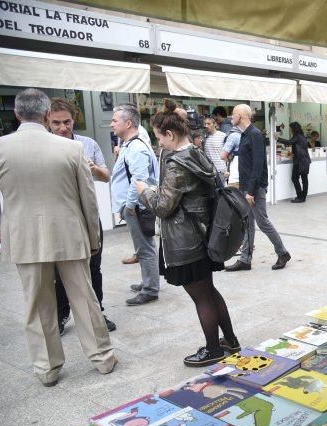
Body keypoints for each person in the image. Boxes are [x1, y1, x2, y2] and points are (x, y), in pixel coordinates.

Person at [0, 88, 118, 386]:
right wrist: (93, 235)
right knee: (84, 298)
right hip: (70, 235)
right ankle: (102, 357)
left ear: (18, 114)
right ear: (48, 115)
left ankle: (47, 368)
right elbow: (88, 200)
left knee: (37, 303)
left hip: (23, 236)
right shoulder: (72, 149)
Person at [134, 100, 240, 367]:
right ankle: (230, 341)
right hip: (204, 234)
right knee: (210, 291)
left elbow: (162, 206)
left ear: (170, 134)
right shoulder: (197, 153)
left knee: (201, 296)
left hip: (185, 239)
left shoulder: (176, 164)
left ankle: (214, 349)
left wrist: (144, 191)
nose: (159, 144)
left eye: (159, 138)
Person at [47, 97, 116, 334]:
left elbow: (106, 175)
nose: (62, 128)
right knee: (59, 270)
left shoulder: (87, 143)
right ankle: (61, 313)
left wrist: (94, 169)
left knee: (93, 267)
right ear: (47, 120)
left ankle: (97, 313)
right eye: (56, 123)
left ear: (74, 119)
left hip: (88, 214)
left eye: (67, 122)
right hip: (57, 217)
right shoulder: (43, 146)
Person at [225, 104, 291, 272]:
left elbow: (258, 165)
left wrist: (251, 191)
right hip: (247, 186)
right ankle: (245, 259)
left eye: (233, 115)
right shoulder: (245, 135)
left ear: (241, 115)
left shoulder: (254, 135)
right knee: (248, 222)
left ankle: (283, 252)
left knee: (262, 221)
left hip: (254, 188)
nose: (231, 118)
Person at [110, 103, 160, 305]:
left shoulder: (137, 148)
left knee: (144, 248)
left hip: (137, 206)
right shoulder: (130, 145)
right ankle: (149, 281)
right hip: (135, 205)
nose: (111, 124)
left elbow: (138, 179)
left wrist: (129, 206)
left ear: (128, 123)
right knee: (144, 246)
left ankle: (150, 289)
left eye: (115, 121)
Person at [276, 121, 312, 203]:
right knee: (304, 179)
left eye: (291, 129)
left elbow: (289, 142)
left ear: (294, 129)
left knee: (295, 178)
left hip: (300, 161)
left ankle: (300, 197)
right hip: (305, 160)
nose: (290, 130)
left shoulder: (297, 136)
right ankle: (303, 197)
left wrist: (277, 138)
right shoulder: (302, 136)